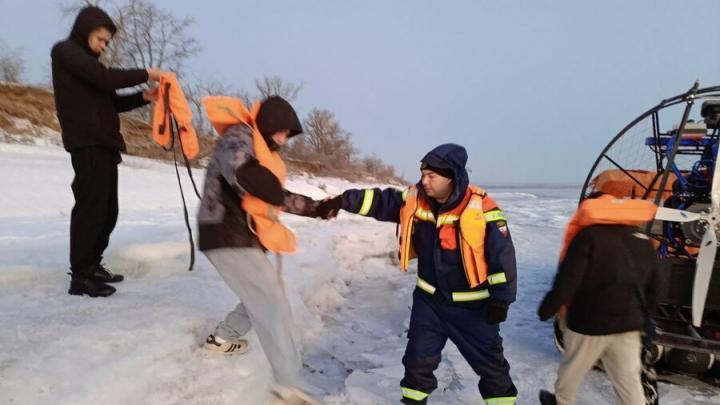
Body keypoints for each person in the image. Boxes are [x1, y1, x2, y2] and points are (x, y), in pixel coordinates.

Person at [317, 143, 518, 404]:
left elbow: (502, 258)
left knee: (493, 370)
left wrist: (502, 299)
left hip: (473, 308)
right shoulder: (415, 200)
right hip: (429, 304)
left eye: (431, 176)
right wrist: (342, 200)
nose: (424, 181)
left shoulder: (484, 210)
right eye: (423, 174)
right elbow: (380, 201)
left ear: (452, 177)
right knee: (416, 366)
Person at [198, 95, 332, 404]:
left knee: (260, 294)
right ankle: (288, 388)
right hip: (224, 231)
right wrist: (261, 180)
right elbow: (243, 172)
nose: (284, 140)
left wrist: (317, 208)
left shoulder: (259, 149)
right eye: (283, 131)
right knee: (270, 301)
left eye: (289, 135)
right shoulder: (238, 137)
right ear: (270, 123)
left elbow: (272, 194)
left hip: (237, 234)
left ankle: (222, 338)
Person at [51, 5, 169, 297]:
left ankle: (92, 264)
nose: (104, 45)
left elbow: (112, 102)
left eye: (107, 41)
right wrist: (148, 73)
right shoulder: (66, 53)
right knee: (91, 209)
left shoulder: (91, 69)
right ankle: (80, 276)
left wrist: (145, 96)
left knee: (107, 211)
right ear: (85, 30)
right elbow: (105, 78)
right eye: (101, 39)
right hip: (86, 142)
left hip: (104, 143)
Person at [537, 194, 662, 405]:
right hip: (629, 325)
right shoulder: (642, 239)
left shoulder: (588, 236)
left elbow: (568, 280)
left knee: (572, 371)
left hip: (589, 324)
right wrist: (646, 316)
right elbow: (656, 285)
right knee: (628, 380)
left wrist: (548, 308)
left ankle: (560, 402)